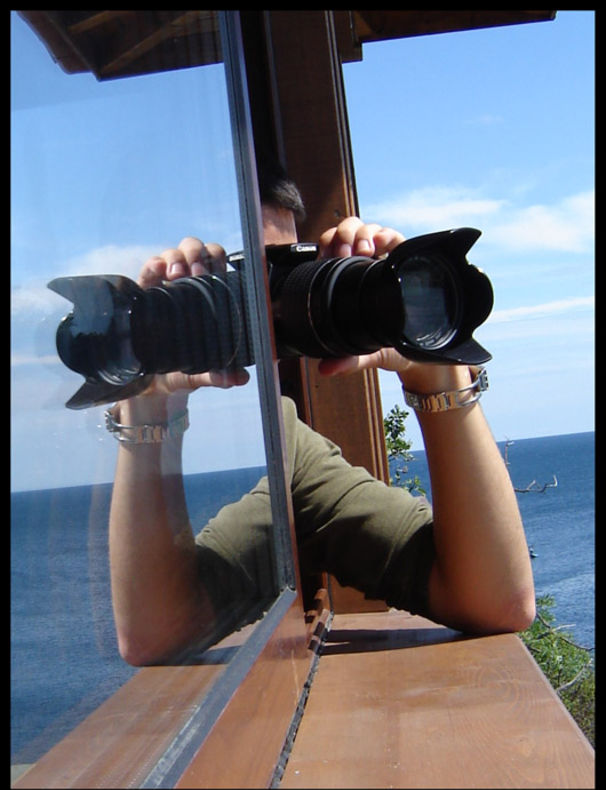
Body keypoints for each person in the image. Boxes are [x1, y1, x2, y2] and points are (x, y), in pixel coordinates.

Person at [107, 165, 535, 667]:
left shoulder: (290, 455)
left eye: (285, 269)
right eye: (237, 284)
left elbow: (498, 600)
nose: (272, 313)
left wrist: (433, 372)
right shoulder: (271, 456)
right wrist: (148, 400)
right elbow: (154, 635)